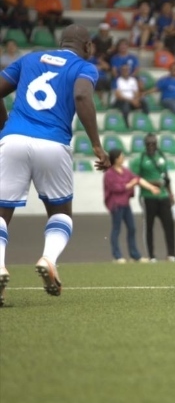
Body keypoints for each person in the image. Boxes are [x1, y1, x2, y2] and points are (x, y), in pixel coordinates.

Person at [0, 24, 110, 306]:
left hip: (13, 140)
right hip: (53, 143)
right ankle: (48, 259)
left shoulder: (30, 58)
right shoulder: (84, 67)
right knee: (61, 213)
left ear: (61, 43)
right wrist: (97, 145)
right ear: (87, 46)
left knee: (1, 212)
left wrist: (5, 126)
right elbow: (82, 96)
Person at [104, 148, 160, 263]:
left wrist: (151, 187)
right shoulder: (109, 174)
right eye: (121, 156)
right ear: (116, 159)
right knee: (116, 229)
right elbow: (116, 188)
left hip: (125, 203)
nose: (123, 158)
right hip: (116, 204)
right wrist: (130, 184)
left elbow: (137, 179)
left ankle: (135, 255)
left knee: (132, 228)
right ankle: (117, 255)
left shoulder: (125, 171)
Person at [132, 133, 175, 262]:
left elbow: (166, 177)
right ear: (145, 144)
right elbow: (135, 179)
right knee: (149, 226)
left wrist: (171, 194)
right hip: (148, 196)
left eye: (153, 143)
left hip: (163, 195)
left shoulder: (161, 157)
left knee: (169, 224)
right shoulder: (140, 159)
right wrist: (153, 183)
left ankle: (172, 254)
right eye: (148, 144)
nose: (151, 146)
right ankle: (151, 255)